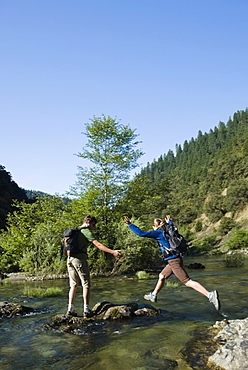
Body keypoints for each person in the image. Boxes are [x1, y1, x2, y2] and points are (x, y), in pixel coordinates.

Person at [124, 216, 220, 311]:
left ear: (155, 225)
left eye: (153, 225)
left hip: (173, 261)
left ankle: (210, 295)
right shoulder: (169, 230)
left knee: (187, 281)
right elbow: (172, 231)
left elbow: (141, 233)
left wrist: (130, 224)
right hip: (174, 260)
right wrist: (169, 222)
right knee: (161, 276)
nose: (152, 227)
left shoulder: (158, 233)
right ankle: (153, 295)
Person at [67, 215, 122, 317]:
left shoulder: (75, 231)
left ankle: (70, 309)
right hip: (79, 260)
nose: (94, 226)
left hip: (69, 259)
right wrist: (113, 252)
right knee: (86, 284)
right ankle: (86, 310)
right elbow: (98, 245)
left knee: (73, 285)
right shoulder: (85, 231)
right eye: (93, 224)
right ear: (88, 222)